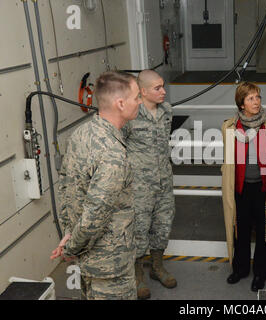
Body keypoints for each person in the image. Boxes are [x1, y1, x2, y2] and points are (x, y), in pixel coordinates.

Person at [51, 71, 141, 300]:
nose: (139, 102)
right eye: (137, 97)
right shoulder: (112, 153)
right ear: (120, 103)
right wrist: (71, 249)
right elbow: (95, 215)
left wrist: (70, 236)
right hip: (110, 266)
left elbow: (68, 192)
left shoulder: (82, 134)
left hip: (89, 261)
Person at [221, 82, 266, 292]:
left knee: (265, 230)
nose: (256, 102)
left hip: (263, 188)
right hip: (240, 188)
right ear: (241, 104)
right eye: (250, 98)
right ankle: (240, 269)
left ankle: (261, 272)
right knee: (241, 228)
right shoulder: (229, 128)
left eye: (258, 97)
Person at [122, 70, 176, 300]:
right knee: (139, 230)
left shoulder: (167, 111)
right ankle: (137, 276)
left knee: (163, 225)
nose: (163, 91)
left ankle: (156, 268)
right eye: (157, 88)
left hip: (164, 181)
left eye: (163, 86)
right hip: (139, 186)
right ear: (142, 91)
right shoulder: (130, 116)